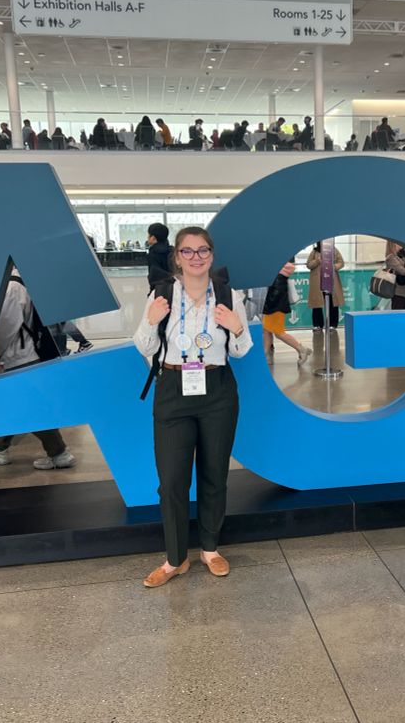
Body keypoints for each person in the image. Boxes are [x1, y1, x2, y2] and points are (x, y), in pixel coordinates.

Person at [134, 226, 253, 587]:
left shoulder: (231, 296)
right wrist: (152, 322)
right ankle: (175, 559)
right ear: (177, 257)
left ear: (211, 256)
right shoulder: (161, 293)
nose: (196, 257)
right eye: (188, 251)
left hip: (217, 389)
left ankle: (210, 549)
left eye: (202, 251)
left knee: (214, 473)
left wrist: (236, 329)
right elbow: (143, 345)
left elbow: (241, 351)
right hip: (173, 387)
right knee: (171, 479)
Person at [0, 270, 76, 470]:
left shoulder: (11, 286)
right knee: (18, 403)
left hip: (19, 355)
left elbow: (6, 328)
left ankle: (59, 453)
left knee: (31, 406)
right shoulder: (25, 279)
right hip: (28, 351)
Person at [262, 261, 311, 365]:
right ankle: (264, 355)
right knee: (267, 330)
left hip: (275, 306)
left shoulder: (277, 273)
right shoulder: (278, 273)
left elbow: (275, 293)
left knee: (279, 333)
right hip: (273, 305)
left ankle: (301, 349)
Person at [306, 242, 345, 330]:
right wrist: (317, 261)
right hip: (318, 282)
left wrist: (334, 266)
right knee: (317, 304)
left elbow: (341, 262)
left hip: (331, 280)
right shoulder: (315, 252)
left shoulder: (333, 250)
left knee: (332, 302)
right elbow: (308, 265)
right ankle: (318, 325)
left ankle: (333, 324)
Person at [146, 222, 173, 287]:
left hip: (159, 289)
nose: (147, 237)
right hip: (174, 287)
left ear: (153, 238)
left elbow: (154, 276)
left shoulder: (153, 253)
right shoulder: (172, 251)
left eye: (148, 235)